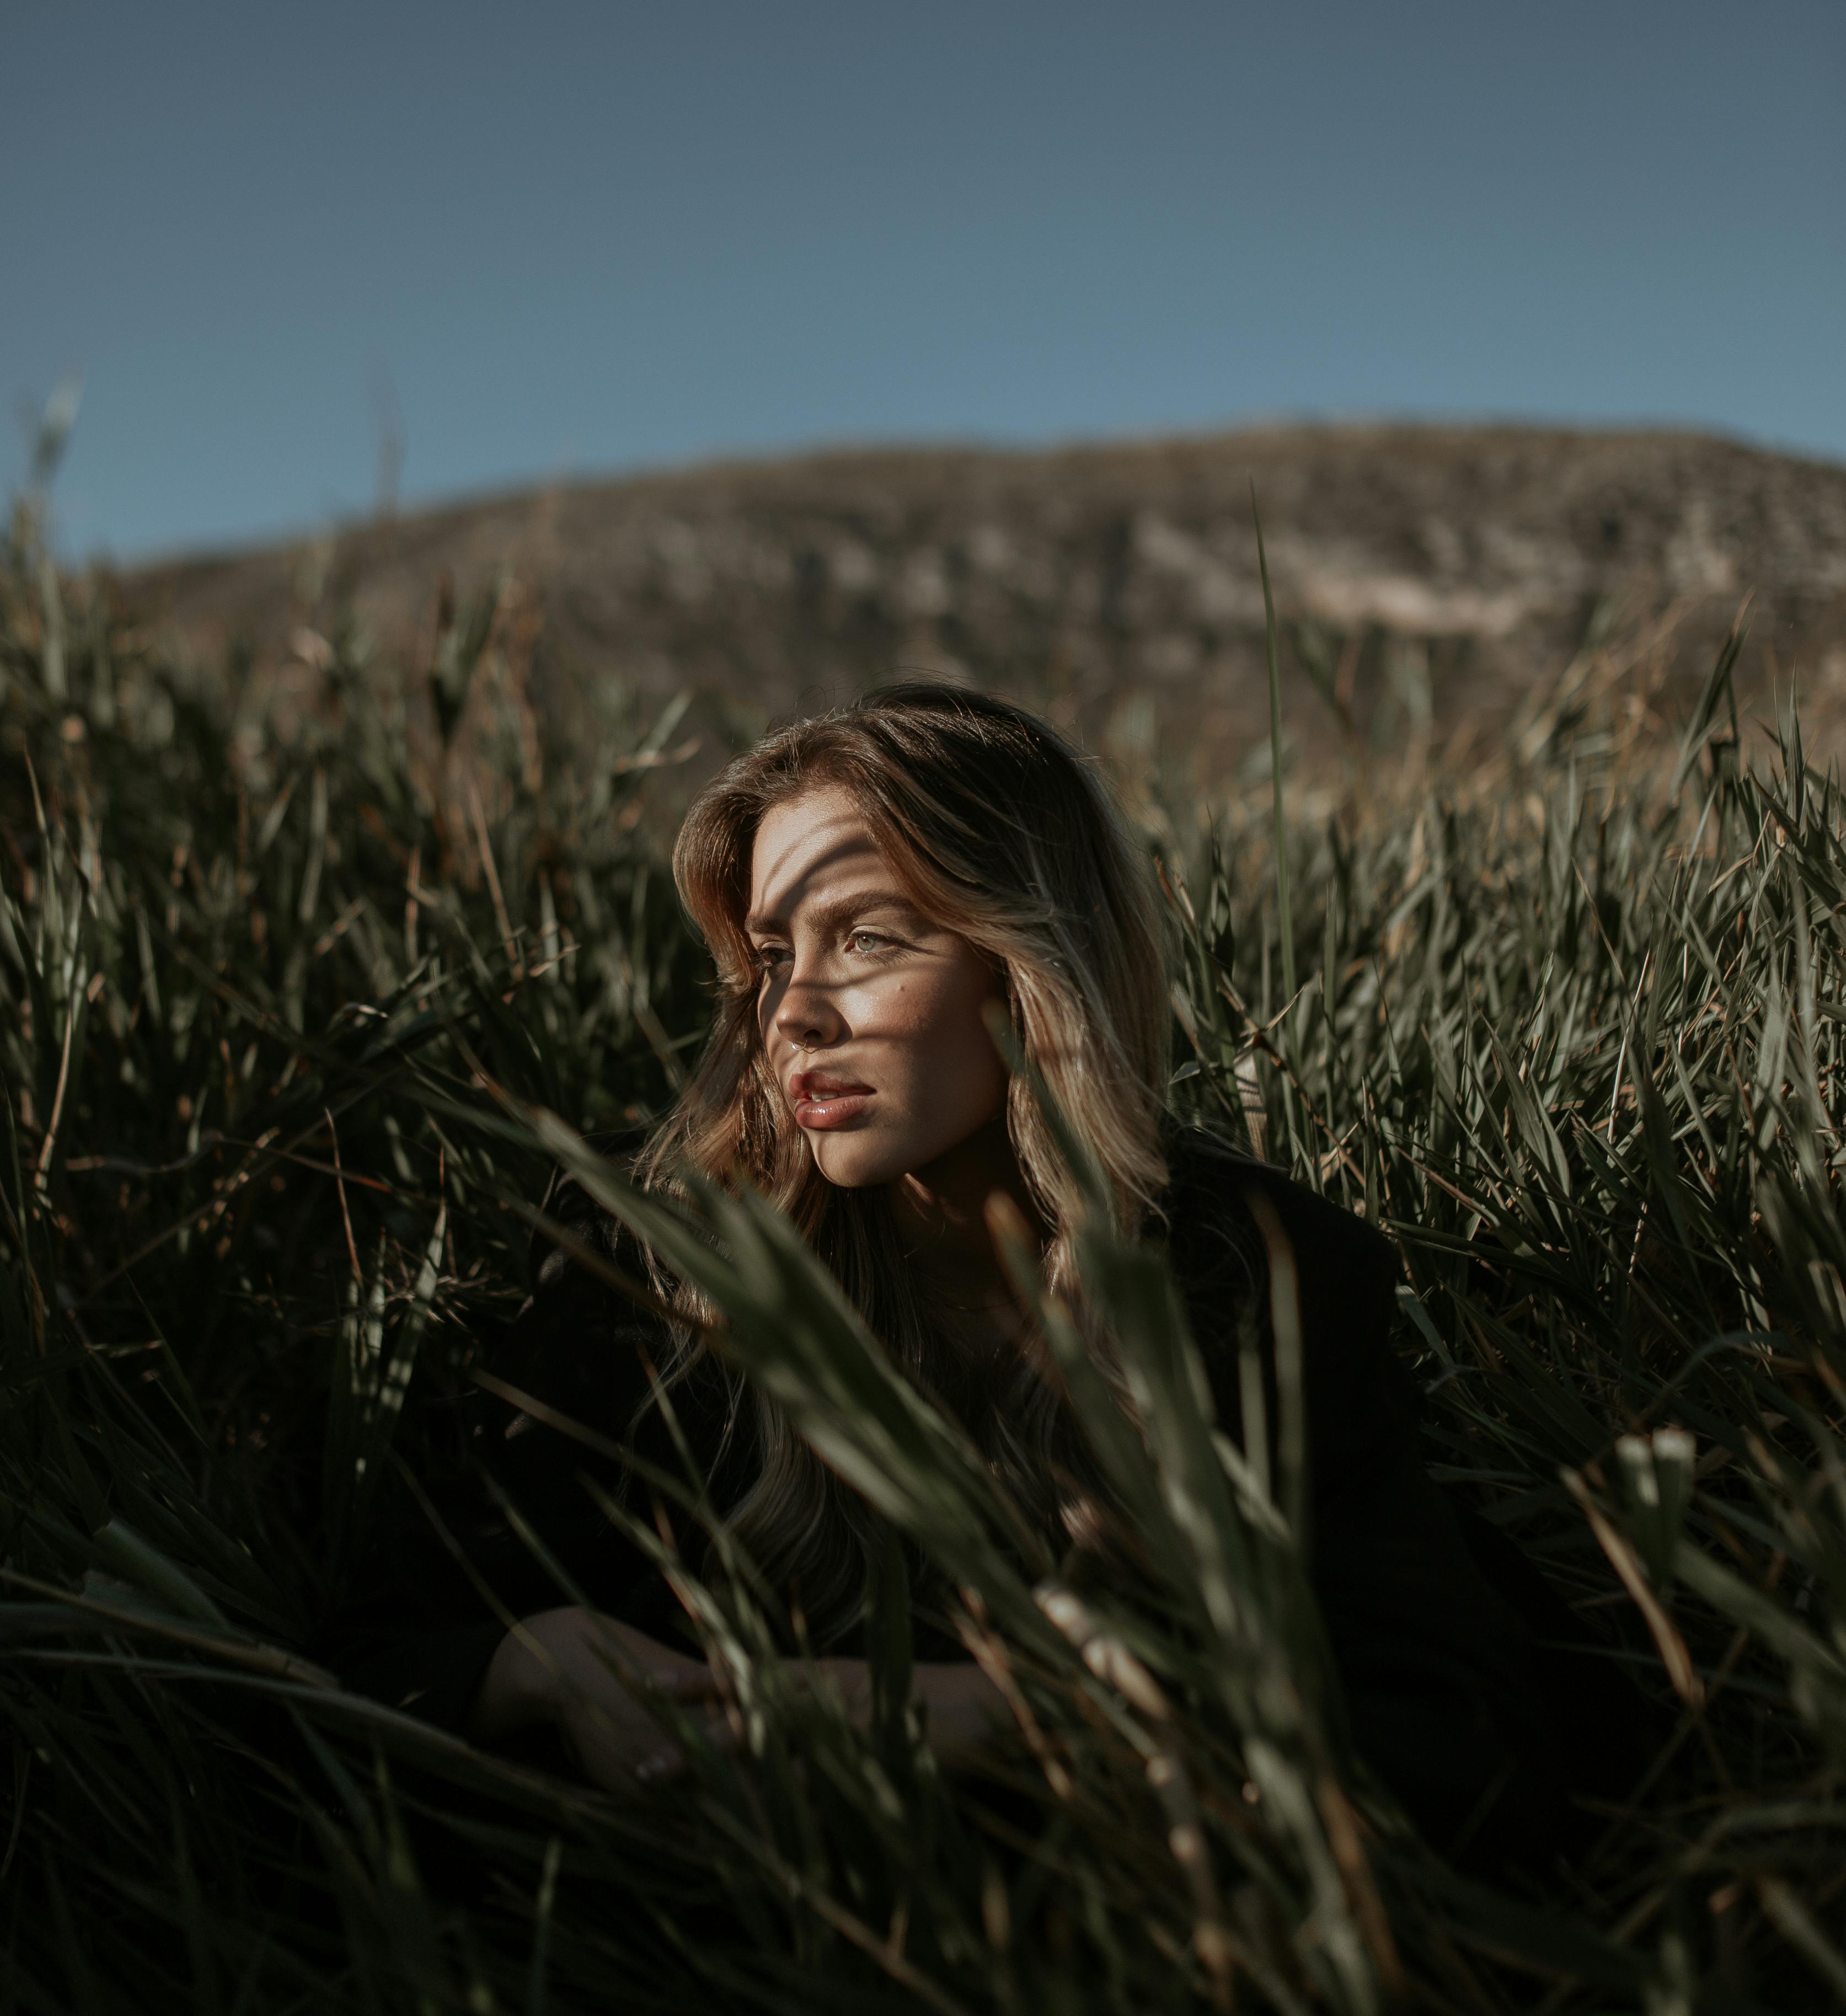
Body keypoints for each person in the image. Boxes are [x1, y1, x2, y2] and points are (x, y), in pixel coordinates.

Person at [346, 684, 1625, 1871]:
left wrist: (1025, 1717)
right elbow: (359, 1649)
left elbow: (1468, 1749)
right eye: (775, 952)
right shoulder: (659, 1271)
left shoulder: (1256, 1279)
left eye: (869, 938)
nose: (792, 1013)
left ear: (1032, 963)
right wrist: (542, 1662)